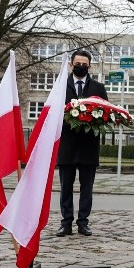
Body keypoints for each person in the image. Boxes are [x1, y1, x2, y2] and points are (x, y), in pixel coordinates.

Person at [56, 48, 108, 237]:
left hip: (88, 145)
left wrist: (91, 119)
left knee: (87, 187)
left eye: (84, 65)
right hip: (67, 144)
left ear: (89, 66)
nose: (80, 67)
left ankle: (83, 222)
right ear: (71, 64)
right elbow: (53, 111)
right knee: (66, 187)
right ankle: (66, 222)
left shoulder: (98, 88)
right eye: (77, 64)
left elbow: (105, 114)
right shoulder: (61, 85)